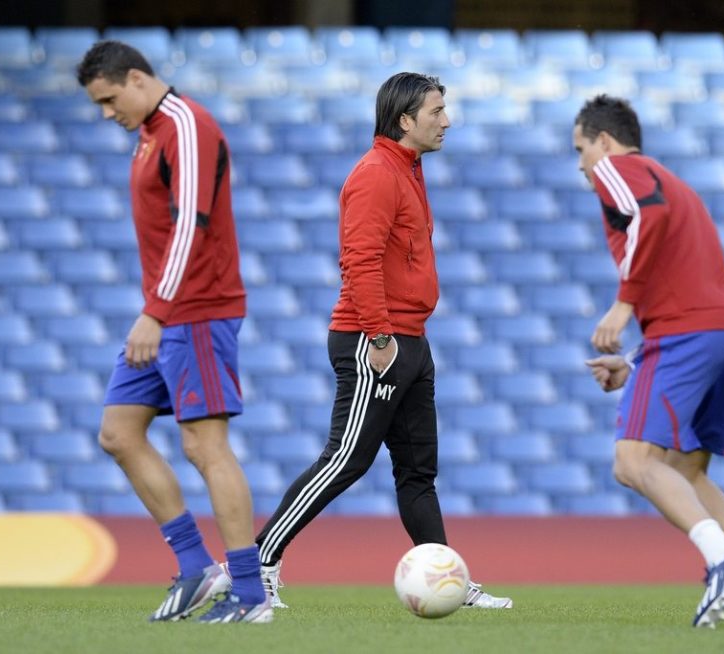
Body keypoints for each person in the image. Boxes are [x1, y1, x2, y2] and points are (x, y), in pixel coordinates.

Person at [254, 72, 512, 611]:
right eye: (437, 111)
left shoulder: (408, 169)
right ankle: (257, 562)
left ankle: (448, 579)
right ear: (405, 120)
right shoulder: (376, 173)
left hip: (411, 339)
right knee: (345, 460)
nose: (447, 121)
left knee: (418, 473)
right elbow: (359, 260)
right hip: (376, 340)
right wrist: (378, 334)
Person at [575, 95, 724, 628]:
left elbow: (649, 216)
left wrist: (623, 305)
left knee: (632, 461)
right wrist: (635, 359)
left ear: (604, 141)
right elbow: (684, 277)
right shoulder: (673, 181)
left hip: (689, 332)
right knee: (685, 470)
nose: (581, 164)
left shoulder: (618, 168)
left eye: (580, 149)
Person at [77, 41, 270, 624]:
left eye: (110, 99)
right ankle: (195, 566)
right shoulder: (150, 134)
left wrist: (156, 312)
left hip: (196, 312)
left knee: (205, 447)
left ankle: (249, 593)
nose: (107, 113)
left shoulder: (187, 125)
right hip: (168, 314)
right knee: (118, 433)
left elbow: (192, 222)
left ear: (137, 78)